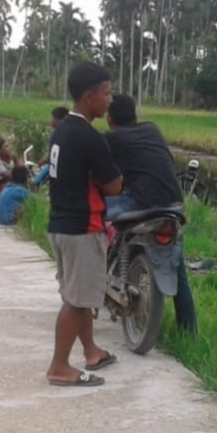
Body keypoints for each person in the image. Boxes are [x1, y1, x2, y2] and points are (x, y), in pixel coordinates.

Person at [45, 62, 122, 387]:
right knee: (78, 302)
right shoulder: (90, 138)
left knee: (80, 295)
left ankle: (91, 351)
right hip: (82, 227)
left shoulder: (62, 130)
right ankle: (59, 367)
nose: (110, 100)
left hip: (60, 224)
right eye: (106, 93)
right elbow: (114, 186)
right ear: (89, 97)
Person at [103, 93, 197, 334]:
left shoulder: (111, 138)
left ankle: (96, 275)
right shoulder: (152, 129)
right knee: (177, 267)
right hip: (173, 204)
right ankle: (189, 331)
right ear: (135, 114)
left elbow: (104, 174)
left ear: (109, 117)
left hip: (139, 204)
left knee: (91, 214)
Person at [33, 106, 69, 187]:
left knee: (35, 183)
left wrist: (43, 161)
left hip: (55, 166)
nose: (50, 121)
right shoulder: (68, 133)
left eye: (52, 118)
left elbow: (52, 157)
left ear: (57, 120)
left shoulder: (56, 134)